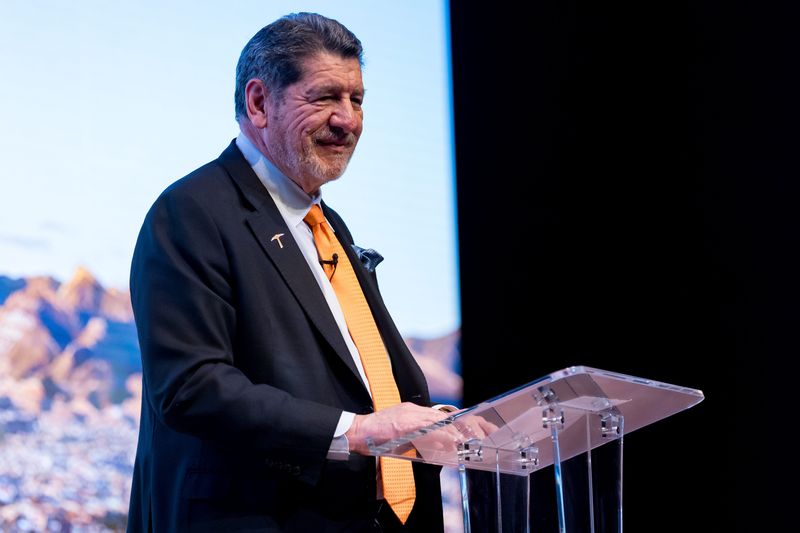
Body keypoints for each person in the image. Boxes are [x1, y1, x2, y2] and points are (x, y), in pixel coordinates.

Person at [126, 12, 450, 533]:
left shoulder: (329, 226)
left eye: (357, 99)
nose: (348, 120)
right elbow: (190, 386)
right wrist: (359, 431)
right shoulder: (192, 211)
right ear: (259, 103)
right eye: (324, 97)